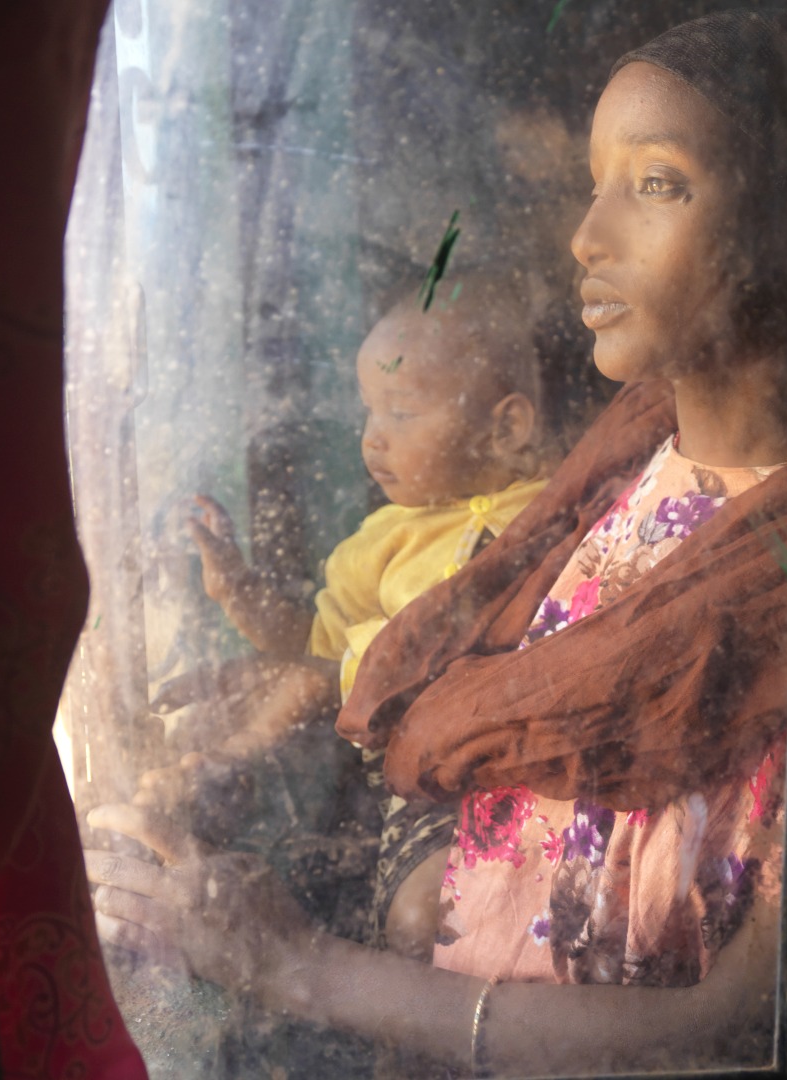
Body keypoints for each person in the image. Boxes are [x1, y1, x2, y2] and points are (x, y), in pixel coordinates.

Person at [86, 13, 787, 1078]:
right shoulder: (603, 483)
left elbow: (749, 1028)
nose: (586, 237)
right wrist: (312, 702)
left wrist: (298, 968)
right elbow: (504, 790)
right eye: (595, 181)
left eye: (656, 184)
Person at [140, 270, 565, 957]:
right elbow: (311, 648)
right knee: (419, 916)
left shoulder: (553, 507)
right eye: (368, 413)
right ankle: (222, 768)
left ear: (507, 425)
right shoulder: (380, 543)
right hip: (421, 781)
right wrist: (238, 590)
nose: (373, 439)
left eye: (401, 412)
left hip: (523, 762)